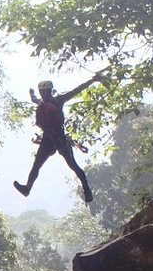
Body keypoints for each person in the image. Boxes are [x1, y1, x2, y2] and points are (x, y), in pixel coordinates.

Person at [14, 73, 102, 204]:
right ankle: (27, 188)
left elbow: (76, 90)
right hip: (48, 139)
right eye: (41, 91)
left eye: (44, 91)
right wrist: (31, 93)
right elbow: (34, 99)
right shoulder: (41, 102)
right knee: (36, 164)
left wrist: (92, 81)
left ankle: (87, 190)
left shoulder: (59, 100)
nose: (42, 93)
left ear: (49, 91)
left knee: (73, 165)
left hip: (59, 137)